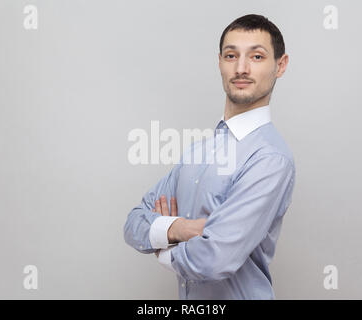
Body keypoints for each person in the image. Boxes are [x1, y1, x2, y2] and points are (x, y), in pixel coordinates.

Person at [123, 14, 296, 299]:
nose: (241, 68)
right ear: (219, 63)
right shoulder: (197, 151)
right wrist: (181, 228)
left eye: (256, 56)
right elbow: (133, 223)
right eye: (231, 56)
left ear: (280, 65)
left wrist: (163, 249)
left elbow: (214, 259)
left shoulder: (270, 158)